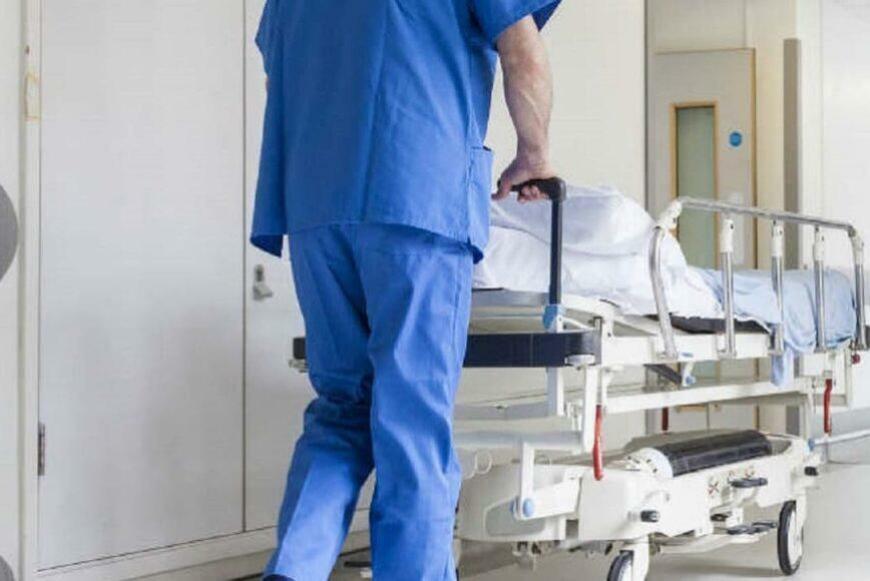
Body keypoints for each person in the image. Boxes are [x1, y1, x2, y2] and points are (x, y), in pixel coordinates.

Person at [251, 1, 560, 579]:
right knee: (412, 417)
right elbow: (521, 49)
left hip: (316, 206)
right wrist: (534, 155)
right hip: (417, 196)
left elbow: (277, 77)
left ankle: (293, 570)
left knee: (341, 409)